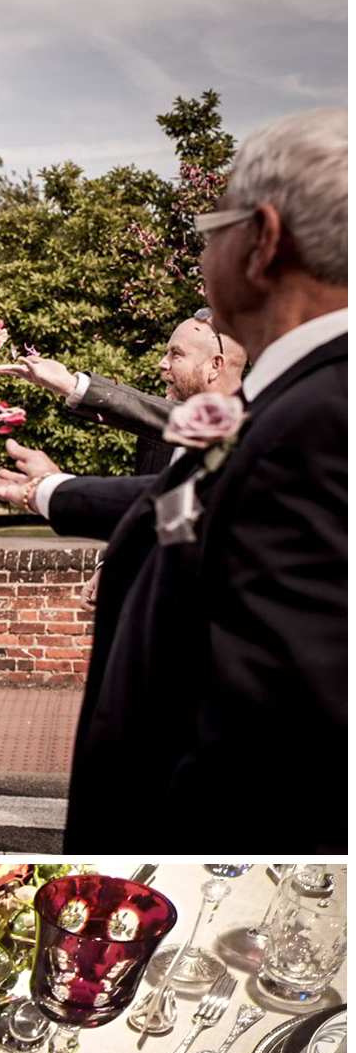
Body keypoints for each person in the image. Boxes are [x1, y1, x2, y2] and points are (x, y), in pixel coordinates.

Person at [66, 106, 346, 851]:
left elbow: (279, 730)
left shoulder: (319, 420)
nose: (200, 256)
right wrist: (54, 491)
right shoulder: (297, 401)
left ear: (262, 241)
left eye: (209, 230)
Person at [0, 314, 249, 537]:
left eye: (176, 354)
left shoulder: (252, 431)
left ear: (215, 365)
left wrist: (73, 386)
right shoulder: (155, 437)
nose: (162, 363)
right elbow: (147, 514)